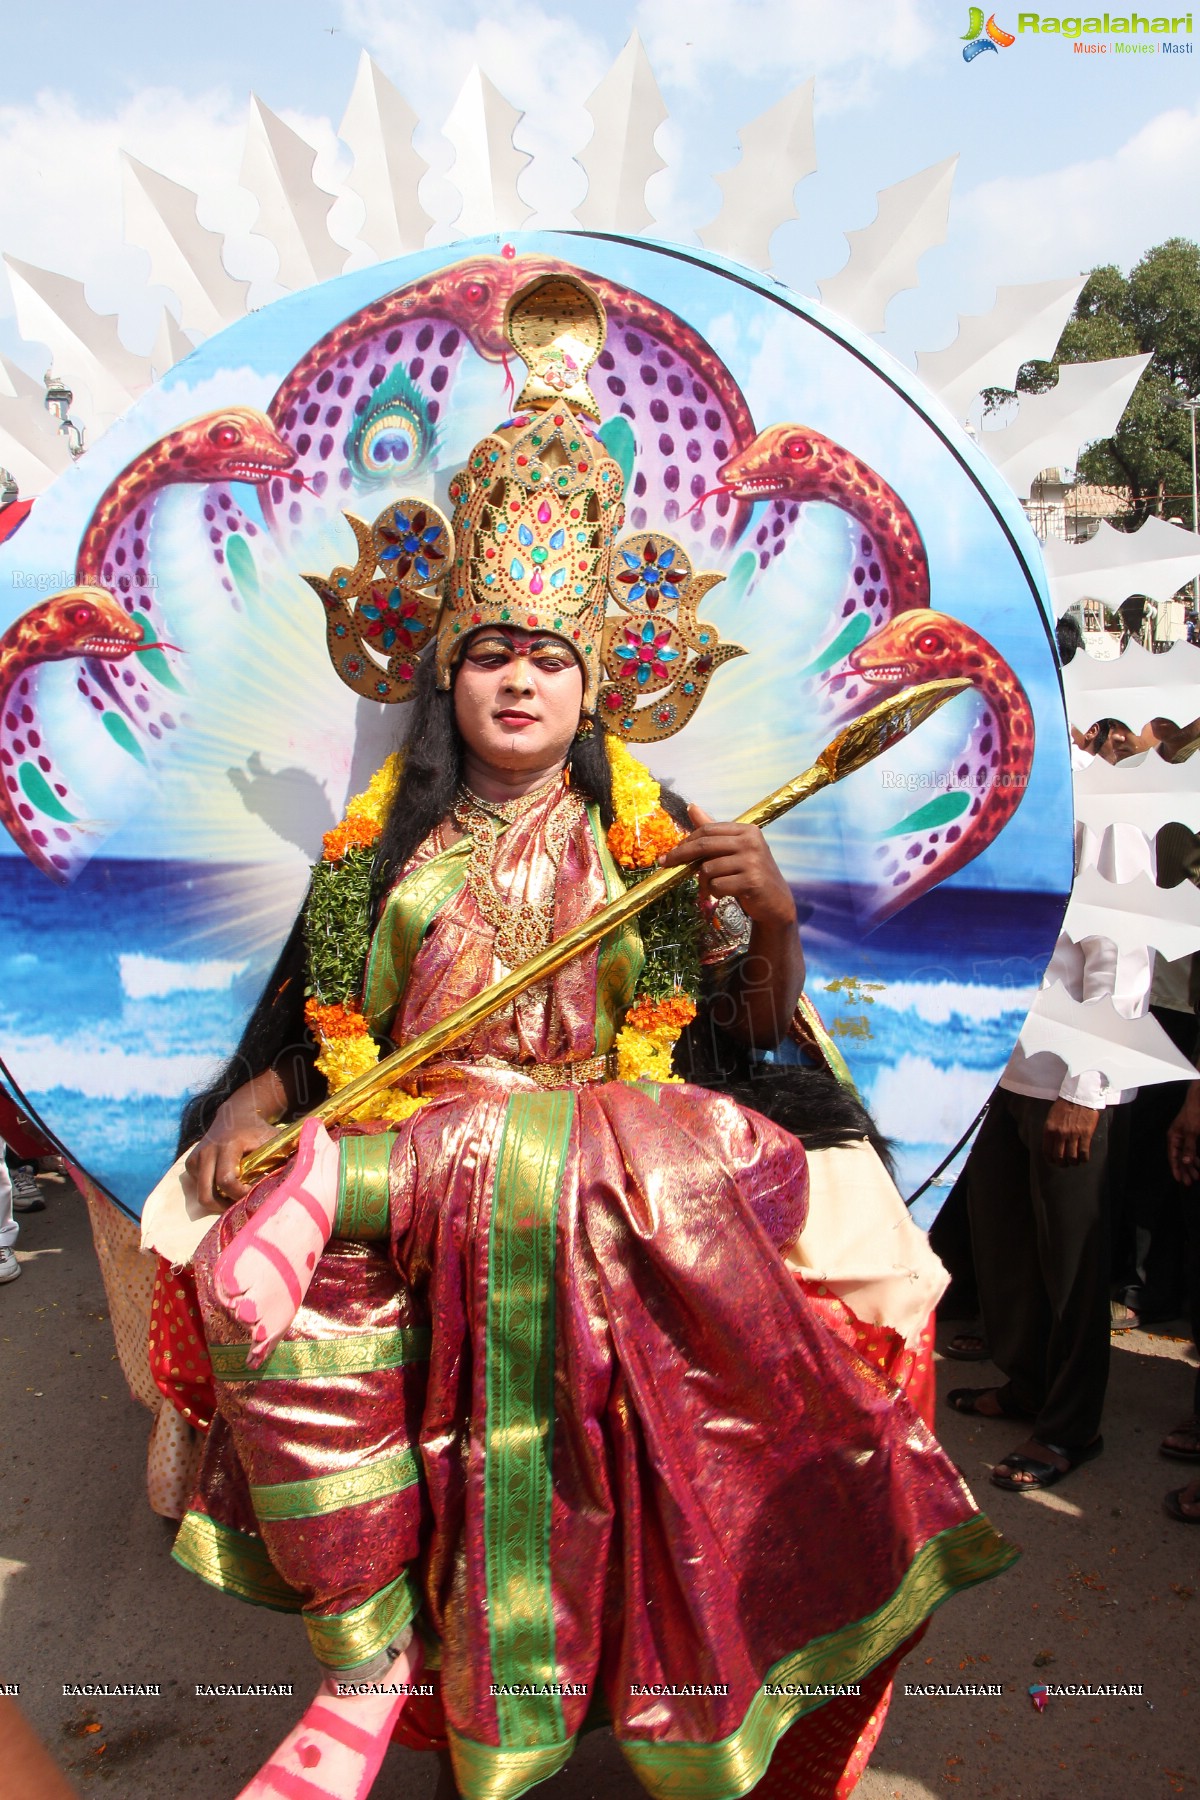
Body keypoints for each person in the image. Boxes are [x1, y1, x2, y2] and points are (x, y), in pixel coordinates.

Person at [167, 274, 1015, 1800]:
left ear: (592, 680)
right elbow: (307, 1022)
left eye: (546, 659)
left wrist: (774, 919)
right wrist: (250, 1104)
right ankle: (374, 1659)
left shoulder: (658, 839)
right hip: (409, 1138)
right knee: (240, 1277)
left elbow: (748, 1043)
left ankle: (680, 1658)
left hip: (614, 1157)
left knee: (701, 1227)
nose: (516, 679)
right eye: (492, 650)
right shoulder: (376, 849)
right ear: (448, 665)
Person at [952, 715, 1154, 1489]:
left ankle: (1070, 1429)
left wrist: (1088, 1089)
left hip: (1070, 1079)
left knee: (1071, 1264)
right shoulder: (992, 787)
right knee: (1004, 1245)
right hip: (1000, 1068)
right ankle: (1027, 1384)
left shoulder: (1100, 798)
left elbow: (1122, 953)